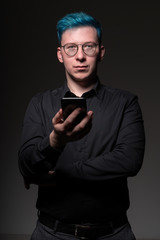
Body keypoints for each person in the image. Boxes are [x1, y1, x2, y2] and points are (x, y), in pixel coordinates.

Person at [18, 12, 145, 240]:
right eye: (71, 48)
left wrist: (58, 175)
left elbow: (129, 160)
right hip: (51, 234)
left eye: (88, 47)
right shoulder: (39, 103)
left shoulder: (125, 102)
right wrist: (55, 141)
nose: (80, 57)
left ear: (101, 52)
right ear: (60, 54)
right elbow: (26, 164)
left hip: (113, 234)